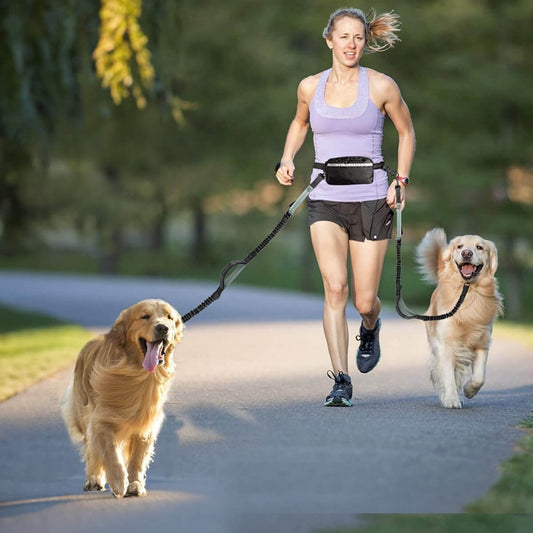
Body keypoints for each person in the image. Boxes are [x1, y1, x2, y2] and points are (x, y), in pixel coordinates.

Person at [275, 7, 415, 406]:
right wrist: (288, 158)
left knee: (363, 301)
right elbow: (300, 123)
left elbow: (406, 132)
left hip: (372, 199)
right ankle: (340, 379)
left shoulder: (382, 86)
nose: (351, 44)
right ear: (329, 40)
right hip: (325, 200)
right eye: (344, 37)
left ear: (365, 42)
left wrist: (400, 179)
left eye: (358, 38)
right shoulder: (309, 87)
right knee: (335, 288)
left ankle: (370, 327)